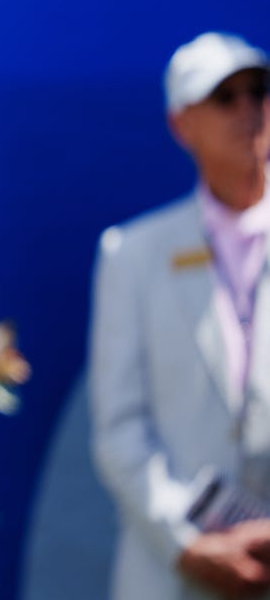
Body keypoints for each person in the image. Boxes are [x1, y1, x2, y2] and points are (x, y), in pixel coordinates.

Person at [88, 31, 270, 599]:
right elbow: (119, 430)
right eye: (224, 97)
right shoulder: (132, 252)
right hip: (171, 579)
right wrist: (186, 542)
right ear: (180, 124)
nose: (248, 110)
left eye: (258, 90)